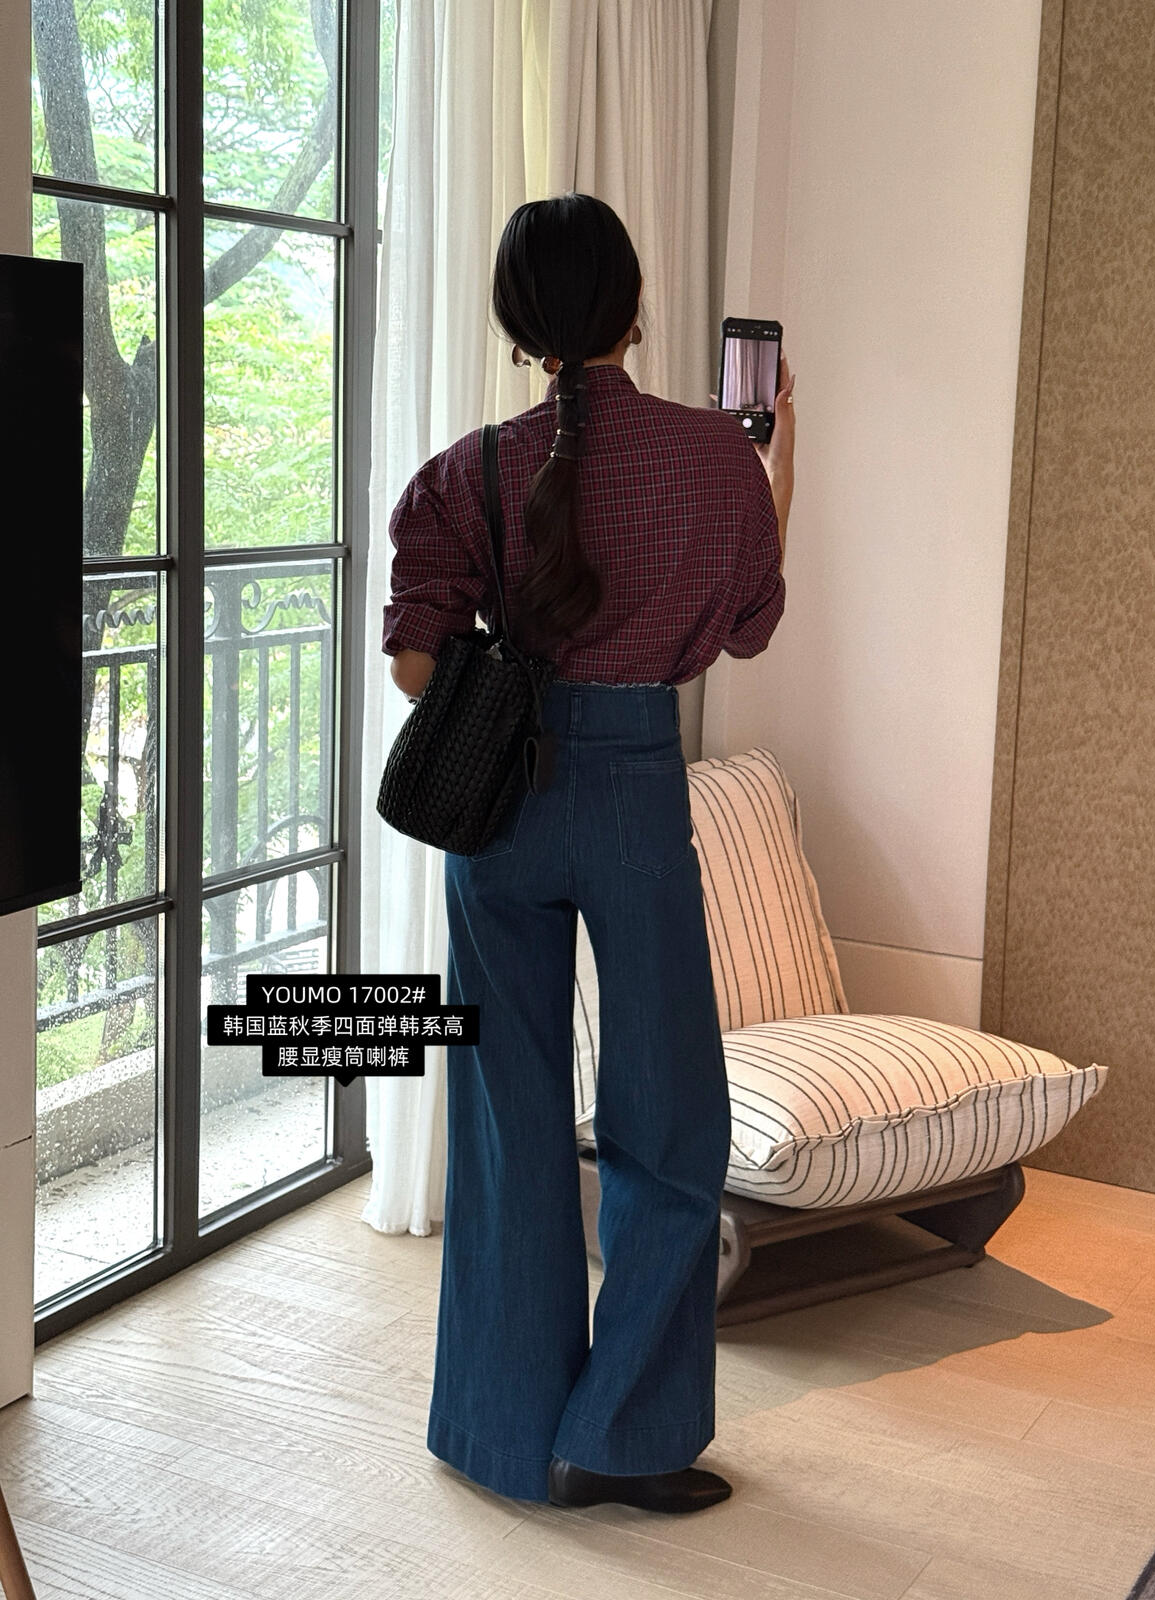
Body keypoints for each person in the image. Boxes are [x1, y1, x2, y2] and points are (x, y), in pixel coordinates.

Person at [382, 193, 794, 1515]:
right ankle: (623, 1437)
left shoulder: (466, 471)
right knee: (668, 1120)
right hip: (631, 790)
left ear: (519, 328)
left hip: (499, 797)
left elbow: (415, 666)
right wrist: (783, 460)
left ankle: (505, 1438)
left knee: (505, 1121)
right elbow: (751, 627)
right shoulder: (716, 455)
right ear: (635, 307)